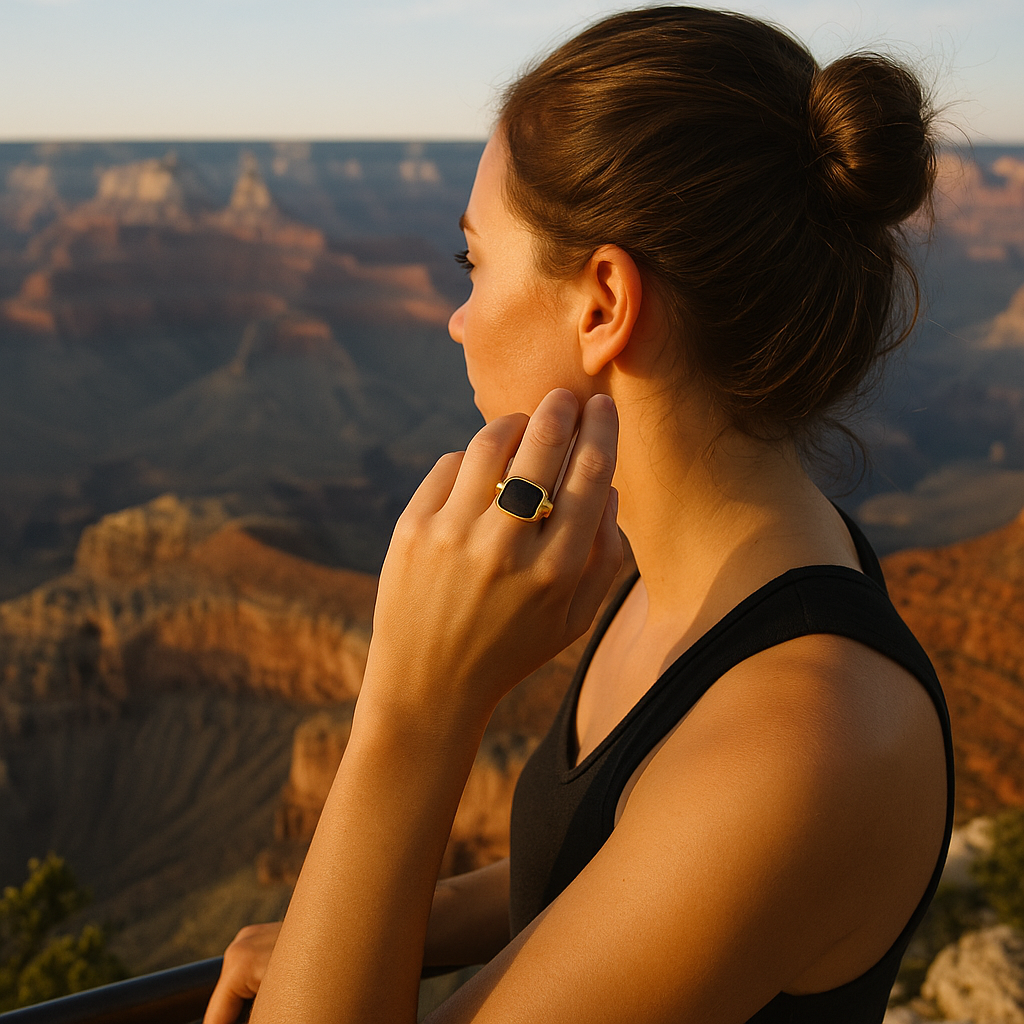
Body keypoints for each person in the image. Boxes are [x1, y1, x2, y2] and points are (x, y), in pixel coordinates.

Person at [204, 7, 954, 1023]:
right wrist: (362, 931)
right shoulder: (713, 566)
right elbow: (631, 850)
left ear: (602, 302)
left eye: (473, 263)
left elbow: (714, 821)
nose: (455, 317)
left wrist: (412, 709)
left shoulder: (802, 740)